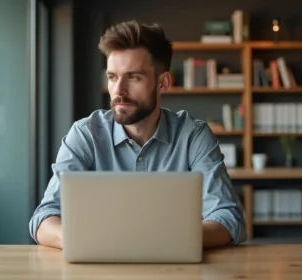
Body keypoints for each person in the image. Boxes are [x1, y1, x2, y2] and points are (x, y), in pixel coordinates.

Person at [29, 20, 247, 250]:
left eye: (133, 77)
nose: (119, 91)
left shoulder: (193, 135)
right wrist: (85, 240)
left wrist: (158, 241)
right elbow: (44, 217)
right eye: (113, 77)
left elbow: (228, 218)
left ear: (162, 83)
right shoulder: (85, 134)